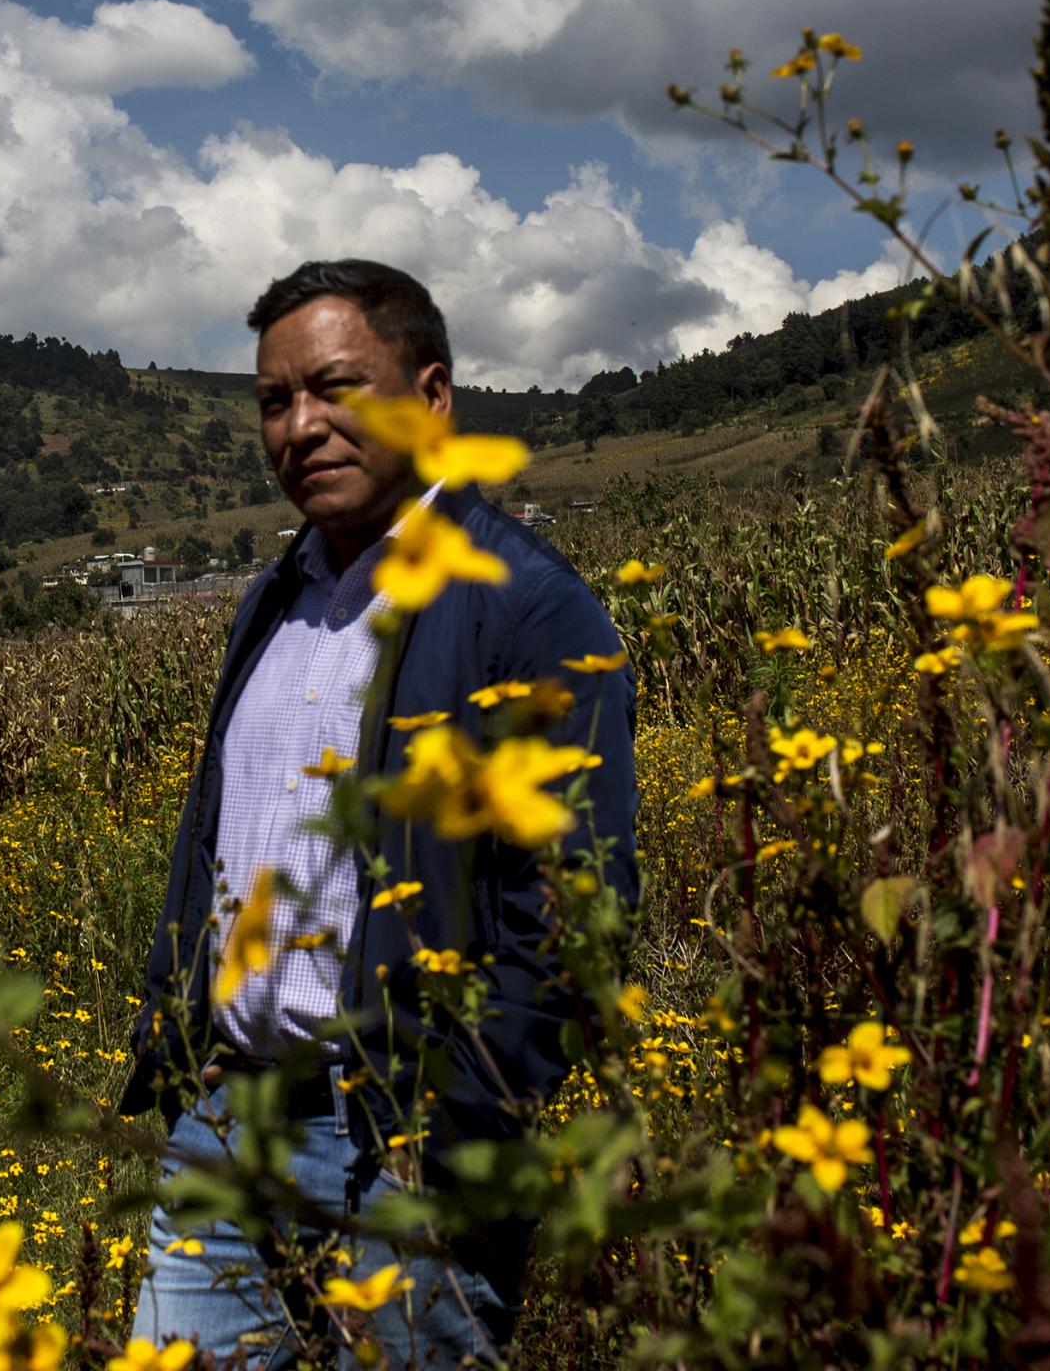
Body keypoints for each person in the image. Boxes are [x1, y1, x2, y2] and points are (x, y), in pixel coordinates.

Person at [119, 259, 641, 1367]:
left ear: (434, 395)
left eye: (336, 387)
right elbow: (219, 837)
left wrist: (457, 1122)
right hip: (226, 1126)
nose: (301, 425)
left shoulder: (528, 607)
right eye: (273, 400)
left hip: (400, 1146)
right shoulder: (275, 599)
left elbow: (574, 901)